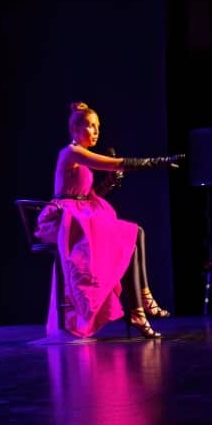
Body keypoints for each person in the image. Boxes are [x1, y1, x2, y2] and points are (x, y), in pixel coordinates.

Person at [37, 102, 184, 339]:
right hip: (64, 221)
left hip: (80, 215)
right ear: (75, 130)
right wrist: (158, 162)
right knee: (130, 236)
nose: (96, 132)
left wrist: (107, 184)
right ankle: (140, 307)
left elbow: (85, 194)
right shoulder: (71, 152)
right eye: (90, 126)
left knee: (136, 233)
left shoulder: (81, 156)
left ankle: (141, 302)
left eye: (98, 127)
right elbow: (114, 163)